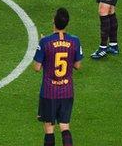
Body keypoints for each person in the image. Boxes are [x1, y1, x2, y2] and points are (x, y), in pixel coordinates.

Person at [34, 8, 83, 146]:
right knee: (65, 126)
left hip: (49, 92)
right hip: (67, 91)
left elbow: (37, 67)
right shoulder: (75, 41)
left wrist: (43, 48)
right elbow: (78, 65)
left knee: (49, 128)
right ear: (67, 23)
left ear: (53, 22)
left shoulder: (45, 42)